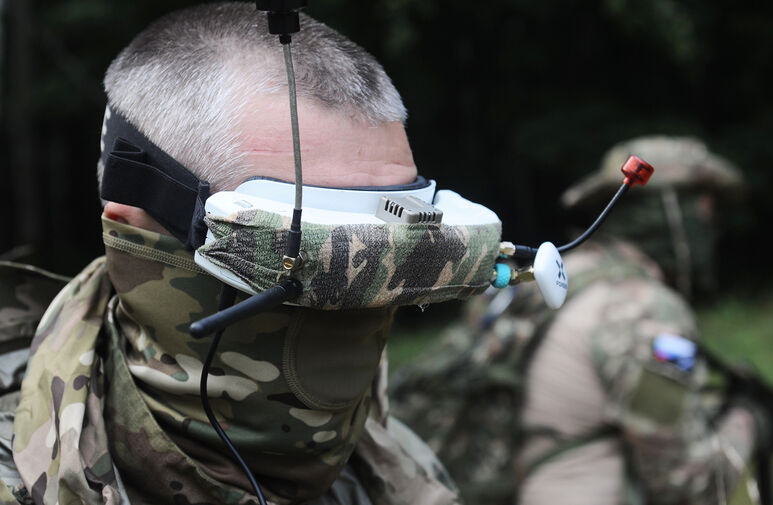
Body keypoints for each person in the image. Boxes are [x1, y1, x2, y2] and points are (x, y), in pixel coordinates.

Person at [0, 4, 466, 504]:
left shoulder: (396, 462)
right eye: (309, 252)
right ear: (134, 232)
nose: (366, 292)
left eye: (401, 252)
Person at [390, 135, 767, 505]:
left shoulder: (543, 279)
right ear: (670, 212)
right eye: (704, 211)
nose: (712, 228)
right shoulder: (645, 309)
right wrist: (749, 422)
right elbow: (684, 483)